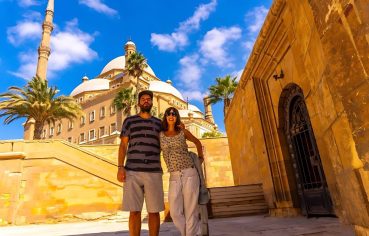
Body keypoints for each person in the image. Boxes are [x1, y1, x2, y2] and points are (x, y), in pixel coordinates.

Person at [117, 90, 164, 236]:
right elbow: (123, 145)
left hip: (154, 171)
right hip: (132, 171)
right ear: (138, 102)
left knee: (154, 211)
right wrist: (120, 168)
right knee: (134, 211)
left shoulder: (159, 123)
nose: (145, 101)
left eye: (148, 99)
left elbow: (166, 142)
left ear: (152, 103)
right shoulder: (129, 121)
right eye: (143, 99)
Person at [160, 107, 204, 236]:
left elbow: (197, 142)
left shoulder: (183, 132)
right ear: (166, 117)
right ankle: (191, 233)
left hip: (189, 173)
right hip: (173, 176)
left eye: (174, 113)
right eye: (168, 113)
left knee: (191, 210)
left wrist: (200, 158)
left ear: (177, 116)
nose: (171, 115)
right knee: (174, 211)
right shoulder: (160, 135)